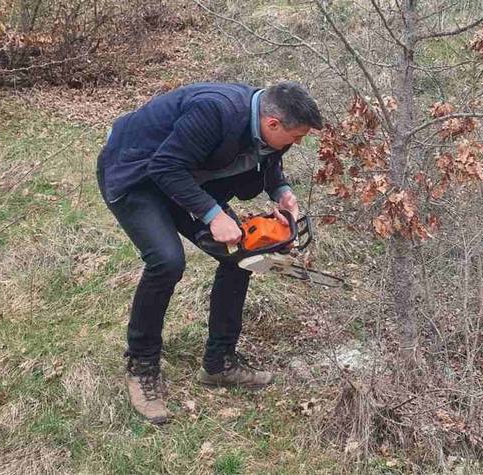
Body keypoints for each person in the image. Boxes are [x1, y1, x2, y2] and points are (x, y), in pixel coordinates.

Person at [95, 82, 322, 424]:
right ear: (273, 123)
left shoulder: (267, 122)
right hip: (136, 174)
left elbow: (269, 160)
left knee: (242, 255)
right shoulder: (215, 111)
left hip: (184, 177)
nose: (298, 143)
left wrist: (282, 191)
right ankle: (142, 366)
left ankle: (219, 363)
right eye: (297, 136)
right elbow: (164, 167)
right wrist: (213, 215)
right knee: (166, 261)